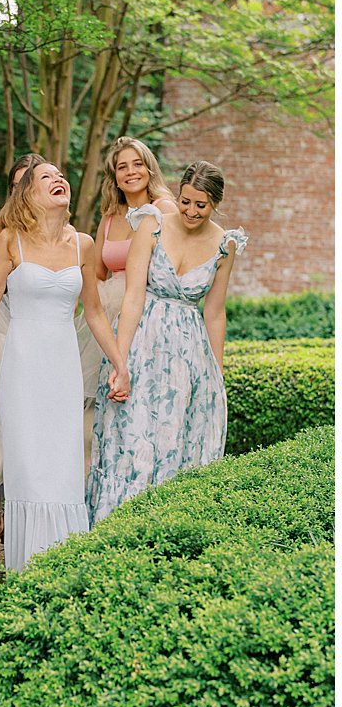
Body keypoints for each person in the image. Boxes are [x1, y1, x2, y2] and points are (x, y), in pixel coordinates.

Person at [0, 156, 126, 577]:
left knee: (63, 467)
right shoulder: (10, 241)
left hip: (63, 369)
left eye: (61, 176)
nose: (59, 180)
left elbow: (93, 313)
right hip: (21, 369)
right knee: (29, 469)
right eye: (47, 177)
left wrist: (119, 364)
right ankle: (26, 570)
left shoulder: (84, 244)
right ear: (28, 193)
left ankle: (64, 566)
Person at [88, 161, 245, 522]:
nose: (191, 211)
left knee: (175, 443)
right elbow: (132, 296)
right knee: (131, 438)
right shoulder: (152, 225)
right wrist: (120, 360)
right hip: (142, 344)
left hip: (188, 358)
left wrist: (215, 377)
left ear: (215, 203)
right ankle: (115, 530)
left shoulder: (226, 244)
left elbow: (215, 313)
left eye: (201, 205)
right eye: (185, 201)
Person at [78, 137, 179, 461]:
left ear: (149, 168)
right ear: (115, 177)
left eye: (137, 164)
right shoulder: (109, 217)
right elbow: (96, 273)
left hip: (148, 313)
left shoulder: (165, 208)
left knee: (143, 398)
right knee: (111, 398)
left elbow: (175, 265)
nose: (131, 172)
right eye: (123, 167)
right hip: (110, 319)